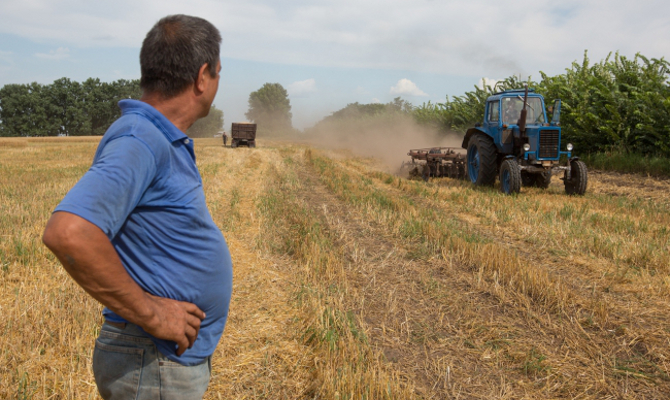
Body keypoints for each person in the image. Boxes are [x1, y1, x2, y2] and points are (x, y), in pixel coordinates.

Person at [42, 14, 232, 399]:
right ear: (202, 76)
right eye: (218, 73)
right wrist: (154, 315)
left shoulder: (155, 135)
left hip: (158, 363)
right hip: (151, 359)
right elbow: (69, 233)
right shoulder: (141, 137)